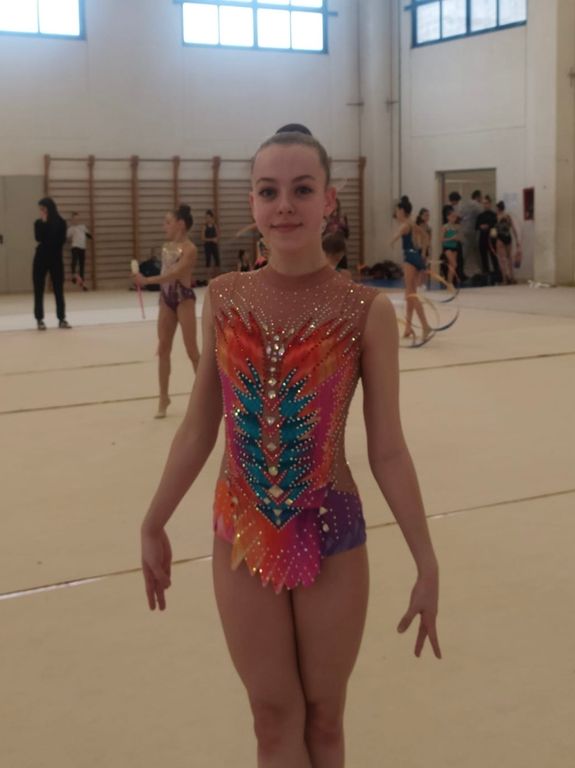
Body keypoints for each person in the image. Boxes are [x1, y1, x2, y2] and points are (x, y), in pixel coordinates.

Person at [140, 127, 441, 767]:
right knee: (272, 718)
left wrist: (426, 560)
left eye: (302, 190)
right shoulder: (225, 297)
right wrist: (153, 520)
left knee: (325, 722)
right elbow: (199, 426)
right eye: (269, 191)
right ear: (252, 202)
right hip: (241, 529)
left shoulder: (365, 310)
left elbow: (388, 448)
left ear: (328, 200)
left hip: (332, 532)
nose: (284, 206)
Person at [133, 204, 200, 419]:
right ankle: (163, 397)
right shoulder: (166, 247)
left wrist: (147, 280)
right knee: (163, 348)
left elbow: (175, 273)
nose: (164, 226)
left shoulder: (190, 249)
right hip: (166, 299)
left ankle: (205, 396)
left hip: (183, 299)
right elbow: (165, 272)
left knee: (192, 350)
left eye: (168, 222)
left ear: (180, 224)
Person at [390, 196, 433, 342]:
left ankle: (425, 325)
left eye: (397, 211)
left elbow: (395, 237)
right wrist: (423, 253)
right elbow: (425, 236)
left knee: (411, 294)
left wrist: (392, 241)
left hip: (409, 258)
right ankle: (408, 327)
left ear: (402, 211)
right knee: (409, 294)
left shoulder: (405, 225)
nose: (396, 213)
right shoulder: (412, 223)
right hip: (416, 257)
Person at [33, 197, 71, 330]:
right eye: (40, 209)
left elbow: (60, 240)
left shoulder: (61, 223)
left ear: (50, 208)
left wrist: (48, 228)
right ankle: (39, 319)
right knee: (38, 288)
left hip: (55, 258)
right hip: (40, 258)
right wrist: (44, 223)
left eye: (43, 208)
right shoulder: (38, 223)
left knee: (58, 289)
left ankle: (62, 319)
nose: (41, 211)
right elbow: (39, 238)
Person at [495, 201, 521, 285]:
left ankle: (505, 279)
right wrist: (517, 240)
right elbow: (513, 229)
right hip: (508, 237)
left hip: (500, 238)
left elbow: (494, 230)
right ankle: (512, 277)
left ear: (498, 208)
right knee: (509, 258)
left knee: (502, 260)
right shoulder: (508, 216)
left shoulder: (497, 217)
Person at [476, 196, 500, 282]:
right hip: (482, 238)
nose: (485, 205)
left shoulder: (494, 215)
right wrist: (481, 226)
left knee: (494, 257)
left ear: (490, 204)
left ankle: (497, 275)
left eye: (486, 203)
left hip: (491, 239)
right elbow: (476, 226)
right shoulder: (480, 215)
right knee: (483, 258)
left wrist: (488, 226)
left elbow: (496, 226)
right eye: (484, 203)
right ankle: (486, 276)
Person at [459, 190, 482, 274]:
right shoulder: (477, 205)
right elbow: (483, 214)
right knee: (478, 251)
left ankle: (460, 270)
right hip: (473, 231)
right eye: (481, 197)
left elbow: (460, 216)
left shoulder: (465, 204)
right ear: (478, 197)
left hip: (464, 230)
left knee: (464, 252)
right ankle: (481, 270)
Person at [67, 211, 92, 289]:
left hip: (82, 248)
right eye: (74, 218)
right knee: (74, 261)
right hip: (75, 247)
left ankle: (82, 283)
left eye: (77, 218)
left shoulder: (82, 227)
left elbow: (88, 234)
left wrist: (90, 236)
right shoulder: (71, 228)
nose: (76, 220)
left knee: (82, 265)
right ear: (72, 219)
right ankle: (73, 275)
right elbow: (65, 236)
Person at [324, 197, 350, 268]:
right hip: (328, 247)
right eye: (332, 206)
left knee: (342, 267)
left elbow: (347, 234)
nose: (334, 209)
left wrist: (342, 228)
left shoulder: (342, 217)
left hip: (340, 245)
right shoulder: (325, 218)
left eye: (336, 206)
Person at [440, 206, 460, 286]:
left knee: (452, 266)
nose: (454, 218)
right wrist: (452, 238)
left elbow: (459, 238)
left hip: (454, 247)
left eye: (455, 216)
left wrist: (458, 238)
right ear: (448, 217)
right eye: (452, 216)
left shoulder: (456, 227)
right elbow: (441, 239)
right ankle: (449, 282)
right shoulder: (445, 227)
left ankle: (450, 283)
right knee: (454, 264)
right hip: (447, 247)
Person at [201, 209, 220, 278]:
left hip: (214, 245)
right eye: (206, 217)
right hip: (207, 246)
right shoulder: (204, 226)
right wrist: (211, 239)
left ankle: (216, 277)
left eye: (208, 217)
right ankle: (208, 279)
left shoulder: (215, 226)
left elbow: (218, 236)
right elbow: (202, 238)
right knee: (208, 261)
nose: (207, 219)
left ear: (212, 217)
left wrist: (216, 239)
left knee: (217, 261)